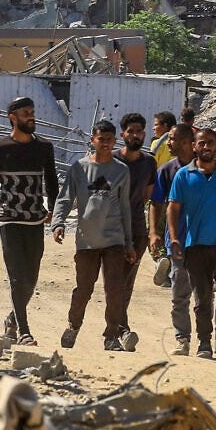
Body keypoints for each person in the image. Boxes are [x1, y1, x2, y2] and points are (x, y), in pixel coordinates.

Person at [0, 96, 58, 347]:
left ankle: (12, 319)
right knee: (17, 276)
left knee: (31, 279)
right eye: (26, 112)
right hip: (8, 220)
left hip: (35, 220)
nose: (31, 116)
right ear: (13, 117)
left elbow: (52, 183)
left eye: (32, 111)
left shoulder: (44, 148)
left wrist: (54, 212)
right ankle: (24, 331)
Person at [52, 120, 137, 353]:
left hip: (114, 240)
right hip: (86, 240)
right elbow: (65, 198)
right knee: (83, 289)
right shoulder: (79, 168)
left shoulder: (121, 171)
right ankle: (73, 326)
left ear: (114, 141)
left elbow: (125, 209)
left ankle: (111, 336)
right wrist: (57, 223)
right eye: (101, 139)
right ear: (93, 140)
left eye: (110, 139)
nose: (106, 143)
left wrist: (129, 243)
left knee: (115, 289)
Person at [167, 128, 216, 359]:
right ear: (194, 147)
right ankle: (203, 341)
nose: (206, 147)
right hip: (196, 244)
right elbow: (173, 207)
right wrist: (174, 237)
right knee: (202, 296)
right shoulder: (183, 175)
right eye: (202, 143)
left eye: (211, 143)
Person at [149, 123, 196, 356]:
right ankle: (182, 338)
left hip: (205, 240)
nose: (168, 143)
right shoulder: (167, 170)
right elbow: (156, 204)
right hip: (177, 239)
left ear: (186, 142)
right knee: (179, 292)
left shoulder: (207, 168)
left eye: (172, 139)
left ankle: (208, 339)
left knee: (205, 293)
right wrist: (153, 233)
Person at [114, 113, 156, 339]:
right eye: (131, 131)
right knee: (115, 278)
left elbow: (148, 196)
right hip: (111, 229)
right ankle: (119, 326)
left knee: (127, 278)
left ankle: (120, 326)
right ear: (123, 134)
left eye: (139, 131)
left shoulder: (149, 162)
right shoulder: (111, 160)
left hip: (137, 229)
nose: (135, 135)